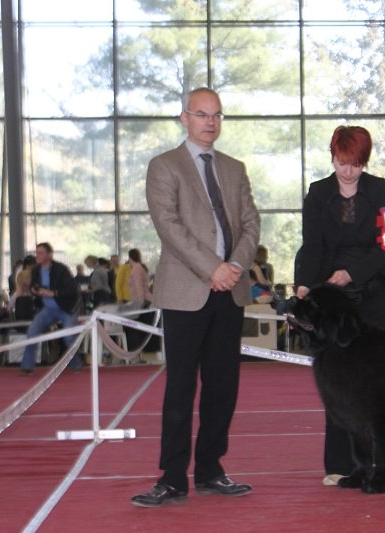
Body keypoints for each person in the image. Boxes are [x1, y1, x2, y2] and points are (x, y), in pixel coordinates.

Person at [133, 87, 260, 507]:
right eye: (202, 114)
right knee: (180, 388)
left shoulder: (235, 168)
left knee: (223, 387)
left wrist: (234, 267)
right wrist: (213, 268)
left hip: (231, 289)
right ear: (184, 118)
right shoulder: (164, 166)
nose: (211, 122)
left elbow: (250, 224)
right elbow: (169, 227)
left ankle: (210, 470)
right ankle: (171, 477)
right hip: (187, 291)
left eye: (218, 115)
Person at [293, 125, 385, 486]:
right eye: (342, 162)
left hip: (375, 290)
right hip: (333, 299)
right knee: (338, 382)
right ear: (333, 157)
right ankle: (340, 463)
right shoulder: (317, 194)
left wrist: (351, 272)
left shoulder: (379, 190)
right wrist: (306, 284)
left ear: (364, 161)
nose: (348, 171)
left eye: (355, 163)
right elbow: (311, 246)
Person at [20, 243, 82, 374]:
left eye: (41, 253)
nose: (37, 255)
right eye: (37, 252)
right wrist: (33, 290)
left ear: (49, 255)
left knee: (69, 337)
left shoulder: (61, 270)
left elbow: (72, 290)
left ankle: (76, 365)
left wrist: (53, 293)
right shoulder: (35, 270)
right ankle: (27, 367)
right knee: (32, 331)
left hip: (67, 308)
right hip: (48, 309)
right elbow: (33, 286)